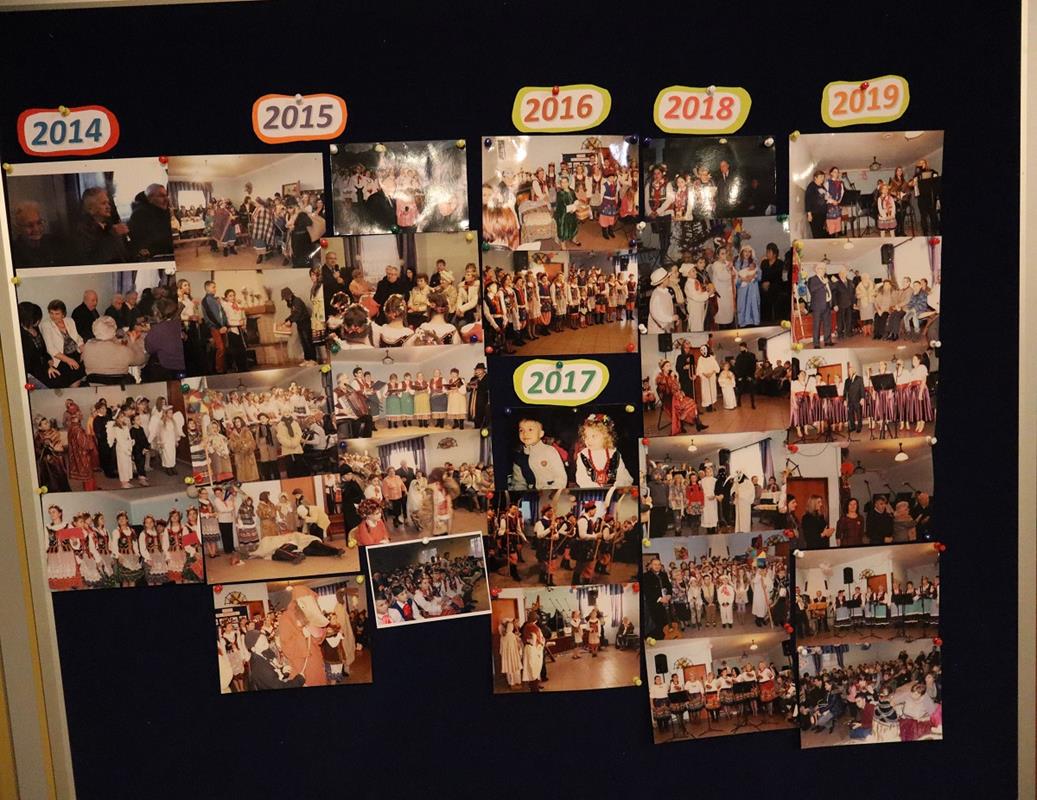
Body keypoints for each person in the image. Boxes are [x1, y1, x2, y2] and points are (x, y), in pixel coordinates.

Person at [81, 316, 147, 382]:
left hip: (94, 386)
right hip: (120, 386)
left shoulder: (87, 347)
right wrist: (133, 343)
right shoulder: (123, 350)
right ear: (114, 331)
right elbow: (141, 359)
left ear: (94, 330)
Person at [73, 187, 129, 264]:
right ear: (90, 209)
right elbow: (95, 259)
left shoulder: (108, 225)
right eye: (103, 203)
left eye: (108, 203)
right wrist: (114, 234)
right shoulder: (83, 230)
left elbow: (122, 254)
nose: (108, 207)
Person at [10, 202, 66, 267]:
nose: (36, 229)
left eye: (39, 223)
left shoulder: (55, 242)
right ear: (19, 228)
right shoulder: (13, 253)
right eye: (29, 225)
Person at [128, 183, 172, 260]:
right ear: (150, 199)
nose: (166, 199)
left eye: (166, 195)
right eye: (161, 196)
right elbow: (151, 243)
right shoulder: (140, 215)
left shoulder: (162, 210)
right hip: (157, 257)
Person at [281, 287, 317, 364]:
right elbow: (294, 314)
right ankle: (307, 359)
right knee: (303, 342)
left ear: (290, 295)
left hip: (305, 323)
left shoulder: (297, 301)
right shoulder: (292, 303)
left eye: (285, 297)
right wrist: (287, 320)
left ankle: (313, 360)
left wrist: (291, 321)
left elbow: (298, 313)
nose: (285, 299)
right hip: (300, 324)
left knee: (308, 341)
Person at [807, 263, 834, 348]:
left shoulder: (825, 279)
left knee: (827, 324)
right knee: (817, 325)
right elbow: (812, 289)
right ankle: (816, 344)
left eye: (824, 269)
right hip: (817, 306)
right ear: (817, 270)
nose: (824, 270)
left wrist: (835, 282)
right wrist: (823, 283)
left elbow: (832, 289)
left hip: (827, 304)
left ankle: (828, 341)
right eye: (822, 268)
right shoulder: (812, 279)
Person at [804, 171, 829, 238]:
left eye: (823, 177)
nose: (822, 179)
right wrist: (809, 214)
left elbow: (825, 197)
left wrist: (829, 198)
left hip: (822, 213)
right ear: (815, 177)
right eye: (821, 177)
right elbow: (807, 200)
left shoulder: (822, 187)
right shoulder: (811, 186)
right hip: (815, 213)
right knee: (816, 233)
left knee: (821, 231)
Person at [733, 341, 757, 409]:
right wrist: (739, 376)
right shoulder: (739, 356)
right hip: (741, 376)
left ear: (745, 347)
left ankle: (753, 404)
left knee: (751, 390)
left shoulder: (752, 355)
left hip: (749, 376)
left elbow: (753, 366)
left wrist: (750, 376)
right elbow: (737, 367)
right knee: (740, 390)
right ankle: (738, 401)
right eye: (740, 347)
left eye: (741, 347)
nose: (740, 349)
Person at [844, 366, 865, 434]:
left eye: (851, 370)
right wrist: (844, 400)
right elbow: (845, 391)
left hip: (857, 399)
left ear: (854, 371)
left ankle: (859, 427)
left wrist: (862, 398)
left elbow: (862, 388)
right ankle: (853, 427)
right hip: (850, 401)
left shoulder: (859, 378)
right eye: (849, 370)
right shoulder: (847, 380)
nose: (850, 371)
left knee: (859, 414)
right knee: (850, 415)